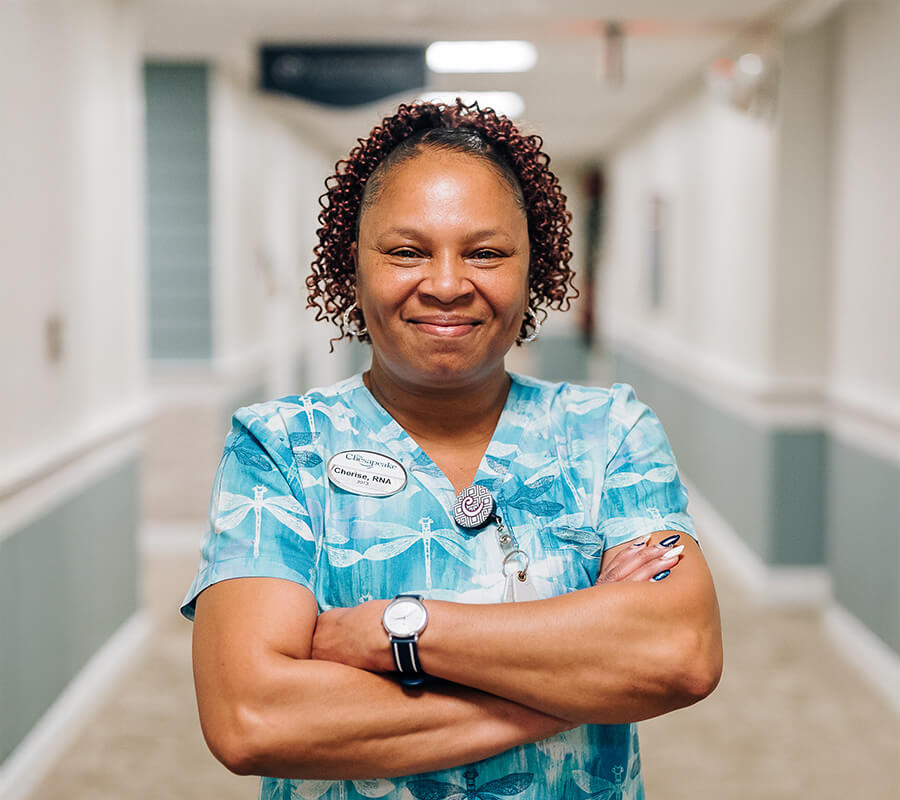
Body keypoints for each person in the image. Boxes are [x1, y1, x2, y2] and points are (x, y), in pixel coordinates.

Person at [182, 100, 722, 799]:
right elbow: (252, 718)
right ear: (354, 265)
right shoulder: (281, 448)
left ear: (536, 267)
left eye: (486, 252)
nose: (444, 284)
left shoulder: (609, 432)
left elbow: (680, 655)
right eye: (406, 251)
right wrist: (578, 678)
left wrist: (391, 631)